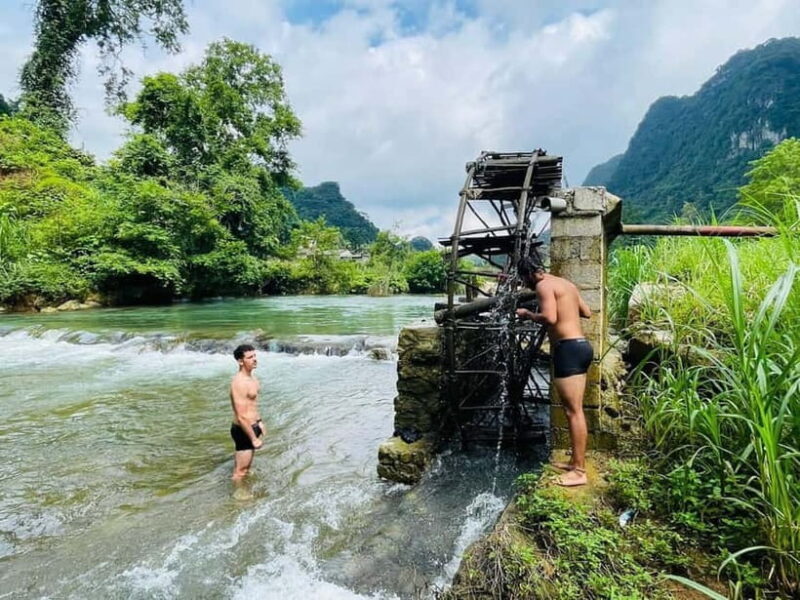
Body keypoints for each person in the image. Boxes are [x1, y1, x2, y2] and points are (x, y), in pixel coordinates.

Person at [516, 257, 593, 486]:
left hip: (567, 350)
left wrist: (528, 314)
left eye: (524, 280)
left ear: (529, 274)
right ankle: (574, 461)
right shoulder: (565, 284)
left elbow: (550, 317)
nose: (526, 285)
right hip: (581, 347)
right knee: (574, 410)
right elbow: (586, 312)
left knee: (573, 412)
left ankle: (579, 472)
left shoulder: (542, 286)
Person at [230, 344, 265, 482]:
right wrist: (254, 438)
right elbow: (241, 415)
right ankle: (239, 498)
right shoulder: (239, 383)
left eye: (255, 356)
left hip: (252, 427)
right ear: (240, 361)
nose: (255, 359)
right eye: (250, 357)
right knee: (240, 471)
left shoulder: (253, 379)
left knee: (246, 468)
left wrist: (260, 422)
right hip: (244, 430)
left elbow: (252, 405)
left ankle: (244, 489)